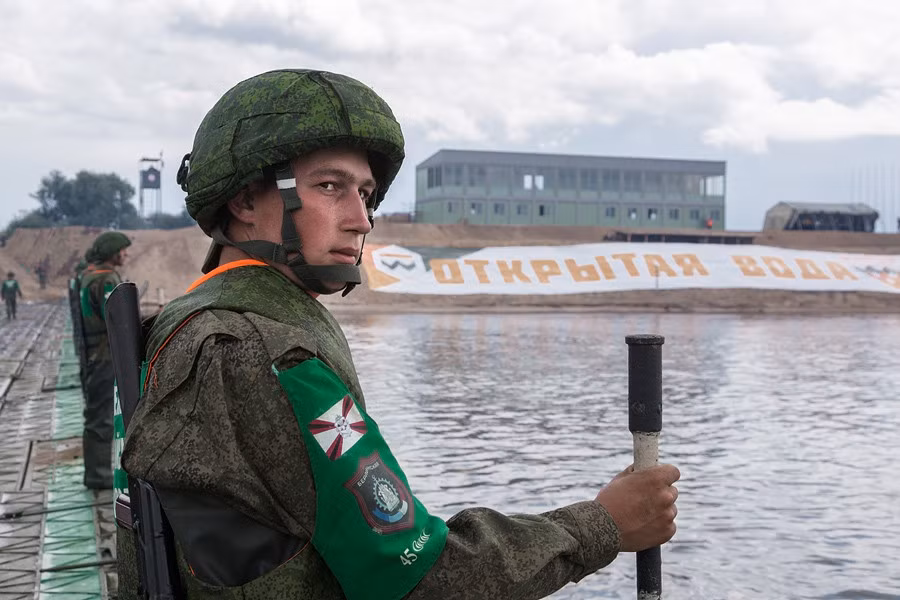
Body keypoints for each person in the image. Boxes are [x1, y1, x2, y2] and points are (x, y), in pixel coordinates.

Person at [120, 69, 680, 600]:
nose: (360, 219)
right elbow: (417, 577)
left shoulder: (196, 317)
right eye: (331, 186)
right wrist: (604, 525)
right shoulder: (265, 350)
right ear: (244, 201)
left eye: (365, 194)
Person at [80, 231, 131, 489]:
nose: (126, 254)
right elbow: (115, 317)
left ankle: (96, 473)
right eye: (122, 250)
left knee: (96, 414)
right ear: (113, 252)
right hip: (104, 355)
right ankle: (99, 476)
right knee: (102, 417)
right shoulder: (107, 279)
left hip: (92, 353)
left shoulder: (89, 275)